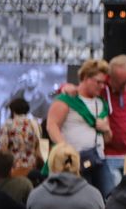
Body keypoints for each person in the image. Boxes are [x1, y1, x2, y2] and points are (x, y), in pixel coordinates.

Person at [47, 59, 114, 198]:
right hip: (74, 162)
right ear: (85, 78)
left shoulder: (101, 104)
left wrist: (106, 129)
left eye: (103, 83)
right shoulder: (67, 100)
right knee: (80, 198)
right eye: (98, 82)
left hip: (99, 159)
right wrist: (65, 148)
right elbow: (52, 125)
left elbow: (107, 139)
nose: (101, 86)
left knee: (109, 197)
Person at [0, 97, 43, 177]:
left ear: (12, 110)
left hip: (14, 167)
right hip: (31, 166)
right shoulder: (35, 125)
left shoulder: (7, 125)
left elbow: (3, 147)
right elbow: (39, 148)